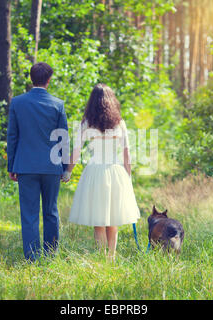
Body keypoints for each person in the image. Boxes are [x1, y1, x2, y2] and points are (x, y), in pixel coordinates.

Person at [62, 83, 140, 261]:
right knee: (113, 220)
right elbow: (126, 153)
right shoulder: (120, 123)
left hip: (95, 172)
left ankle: (101, 258)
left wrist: (68, 171)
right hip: (116, 171)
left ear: (92, 102)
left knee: (99, 220)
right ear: (112, 101)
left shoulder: (87, 123)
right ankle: (110, 259)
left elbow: (76, 150)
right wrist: (128, 176)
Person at [7, 62, 69, 262]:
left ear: (31, 78)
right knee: (51, 210)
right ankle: (50, 255)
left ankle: (32, 258)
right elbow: (63, 138)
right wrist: (65, 167)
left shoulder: (17, 103)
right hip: (52, 167)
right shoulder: (57, 104)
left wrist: (11, 166)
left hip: (25, 166)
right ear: (49, 80)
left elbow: (12, 136)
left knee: (29, 213)